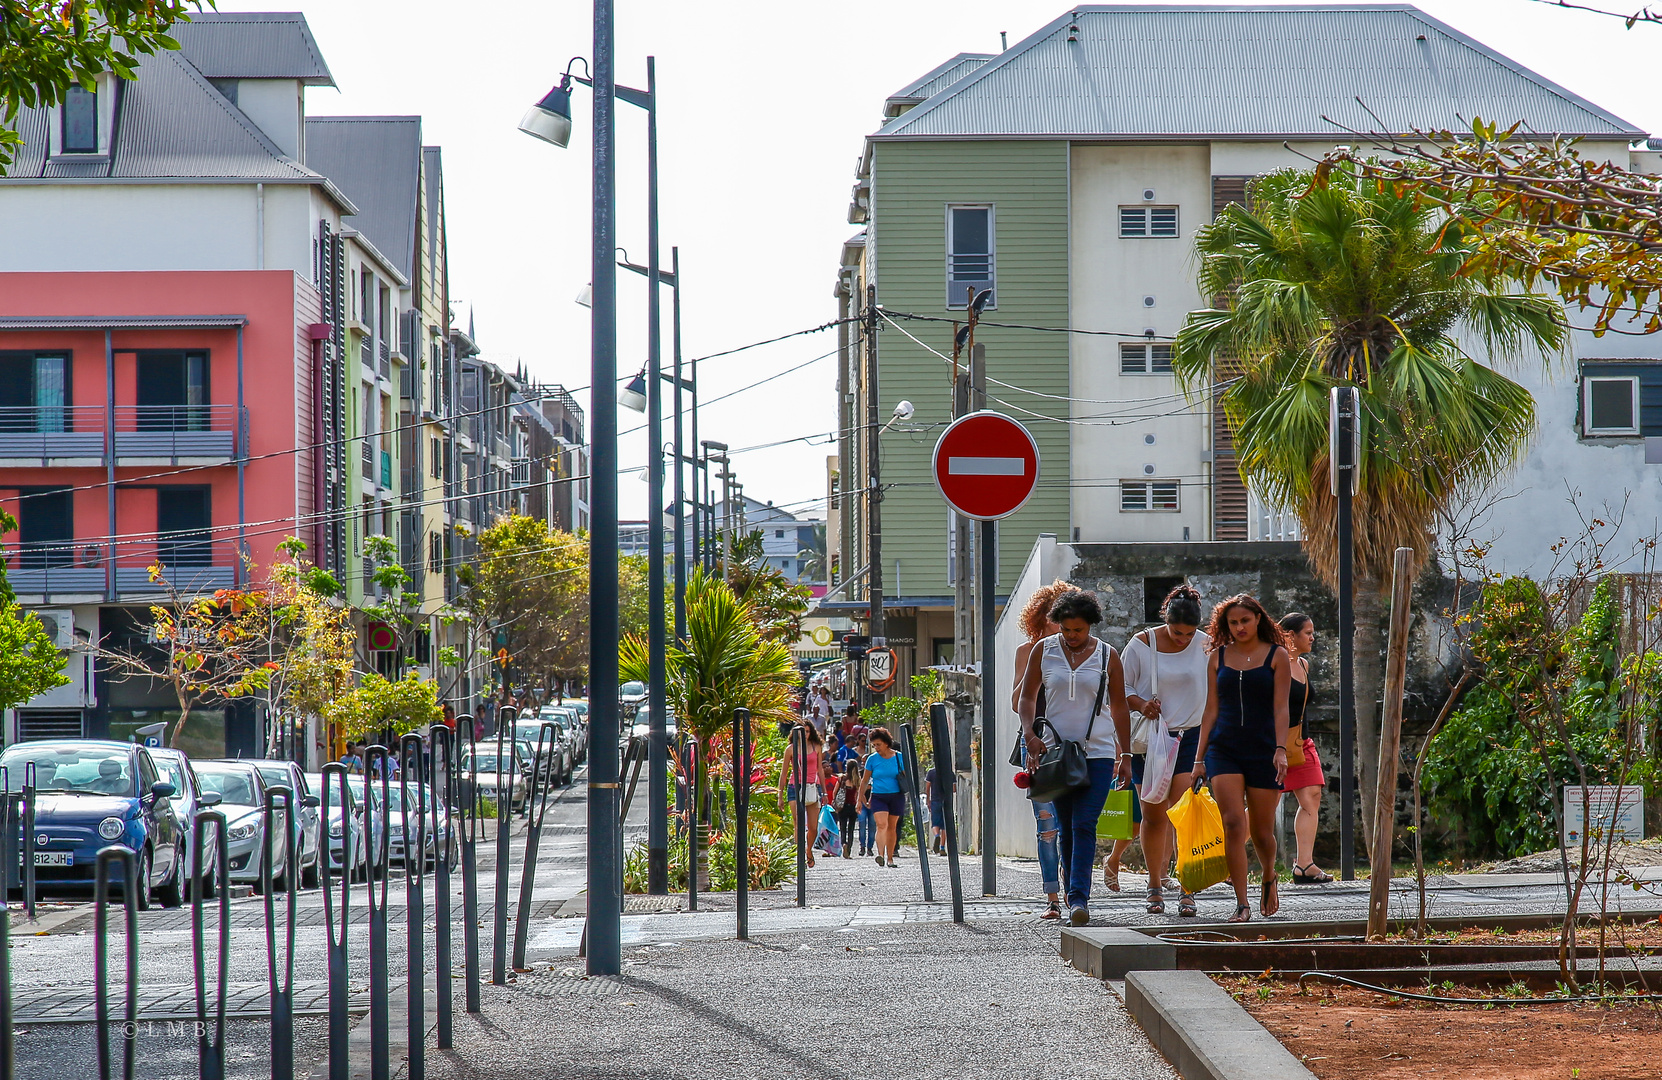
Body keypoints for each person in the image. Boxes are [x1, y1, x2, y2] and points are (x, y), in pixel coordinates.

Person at [1017, 589, 1133, 927]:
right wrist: (1029, 733)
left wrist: (1124, 753)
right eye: (1066, 629)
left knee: (1085, 824)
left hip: (1096, 752)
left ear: (1091, 626)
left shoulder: (1108, 656)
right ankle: (1072, 896)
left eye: (1078, 630)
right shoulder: (1044, 650)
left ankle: (1079, 898)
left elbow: (1121, 707)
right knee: (1066, 827)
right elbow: (1027, 697)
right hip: (1054, 754)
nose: (1071, 636)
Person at [1193, 593, 1291, 923]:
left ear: (1258, 619)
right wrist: (1199, 759)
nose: (1239, 627)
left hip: (1264, 749)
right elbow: (1210, 710)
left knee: (1262, 832)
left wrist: (1281, 749)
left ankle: (1268, 874)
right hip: (1224, 750)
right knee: (1234, 823)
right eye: (1233, 623)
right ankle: (1241, 903)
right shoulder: (1218, 657)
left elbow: (1281, 707)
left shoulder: (1277, 656)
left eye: (1244, 621)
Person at [1122, 583, 1211, 917]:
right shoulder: (1141, 644)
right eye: (1177, 631)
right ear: (1165, 619)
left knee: (1184, 813)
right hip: (1152, 739)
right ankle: (1154, 884)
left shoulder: (1206, 645)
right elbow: (1120, 687)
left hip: (1191, 737)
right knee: (1153, 815)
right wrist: (1141, 704)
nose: (1183, 639)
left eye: (1189, 633)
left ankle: (1188, 889)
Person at [1011, 579, 1074, 920]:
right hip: (1036, 741)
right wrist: (1035, 664)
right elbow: (1014, 702)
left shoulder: (1080, 649)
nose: (1061, 622)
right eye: (1054, 616)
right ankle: (1053, 896)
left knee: (1073, 822)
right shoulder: (1028, 651)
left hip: (1072, 744)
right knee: (1047, 824)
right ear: (1040, 618)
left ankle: (1073, 893)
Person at [1279, 612, 1334, 884]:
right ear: (1290, 635)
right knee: (1261, 806)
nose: (1313, 637)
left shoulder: (1303, 664)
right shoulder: (1273, 664)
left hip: (1301, 741)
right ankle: (1227, 860)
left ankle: (1304, 865)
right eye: (1307, 632)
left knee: (1312, 795)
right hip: (1275, 744)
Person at [778, 724, 829, 867]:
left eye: (807, 731)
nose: (804, 734)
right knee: (798, 822)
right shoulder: (790, 749)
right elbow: (784, 774)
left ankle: (808, 849)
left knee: (813, 827)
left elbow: (820, 770)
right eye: (801, 732)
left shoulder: (816, 747)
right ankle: (799, 854)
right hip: (795, 787)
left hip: (812, 787)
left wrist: (824, 792)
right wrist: (780, 795)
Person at [858, 727, 907, 867]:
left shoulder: (898, 757)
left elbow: (906, 776)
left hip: (896, 796)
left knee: (892, 827)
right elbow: (865, 780)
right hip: (878, 796)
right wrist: (859, 800)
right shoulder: (872, 760)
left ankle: (890, 858)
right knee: (881, 825)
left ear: (886, 742)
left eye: (878, 744)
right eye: (874, 745)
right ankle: (880, 854)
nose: (876, 748)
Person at [834, 760, 862, 859]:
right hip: (853, 807)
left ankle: (843, 843)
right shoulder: (857, 780)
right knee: (851, 829)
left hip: (842, 806)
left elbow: (835, 792)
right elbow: (859, 794)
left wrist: (835, 802)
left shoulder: (842, 779)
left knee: (842, 827)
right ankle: (849, 850)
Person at [924, 762, 946, 854]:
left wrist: (928, 799)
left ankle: (937, 835)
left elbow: (928, 787)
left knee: (935, 823)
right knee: (945, 826)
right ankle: (942, 848)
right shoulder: (948, 772)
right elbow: (953, 788)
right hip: (946, 802)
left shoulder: (931, 772)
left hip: (935, 800)